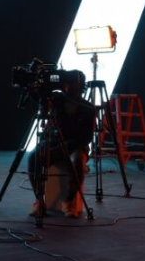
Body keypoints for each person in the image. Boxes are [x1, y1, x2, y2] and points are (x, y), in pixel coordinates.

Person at [27, 70, 95, 217]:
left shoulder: (88, 108)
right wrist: (34, 89)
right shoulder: (56, 100)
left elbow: (86, 138)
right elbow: (40, 100)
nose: (69, 88)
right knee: (33, 158)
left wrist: (64, 148)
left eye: (74, 85)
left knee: (77, 161)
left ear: (81, 87)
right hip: (54, 142)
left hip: (76, 145)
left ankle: (69, 202)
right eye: (68, 85)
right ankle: (39, 201)